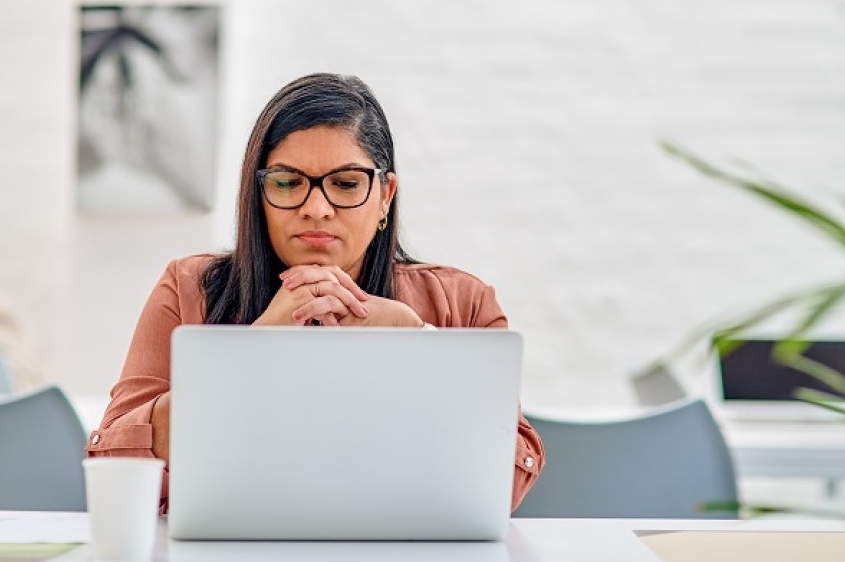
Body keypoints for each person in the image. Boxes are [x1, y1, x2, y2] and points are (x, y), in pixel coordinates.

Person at [86, 73, 544, 512]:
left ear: (385, 195)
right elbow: (114, 466)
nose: (317, 209)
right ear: (258, 194)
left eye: (345, 184)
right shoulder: (190, 291)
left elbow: (507, 480)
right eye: (288, 183)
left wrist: (416, 336)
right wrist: (251, 351)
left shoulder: (462, 302)